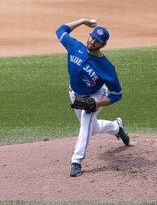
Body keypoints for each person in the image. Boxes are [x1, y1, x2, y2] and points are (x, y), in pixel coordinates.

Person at [55, 18, 130, 177]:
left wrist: (97, 103)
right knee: (92, 128)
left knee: (85, 123)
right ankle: (117, 127)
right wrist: (82, 21)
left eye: (98, 41)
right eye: (92, 37)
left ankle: (76, 161)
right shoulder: (75, 47)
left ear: (103, 45)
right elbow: (60, 30)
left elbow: (117, 94)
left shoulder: (107, 68)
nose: (93, 42)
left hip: (95, 94)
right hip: (74, 93)